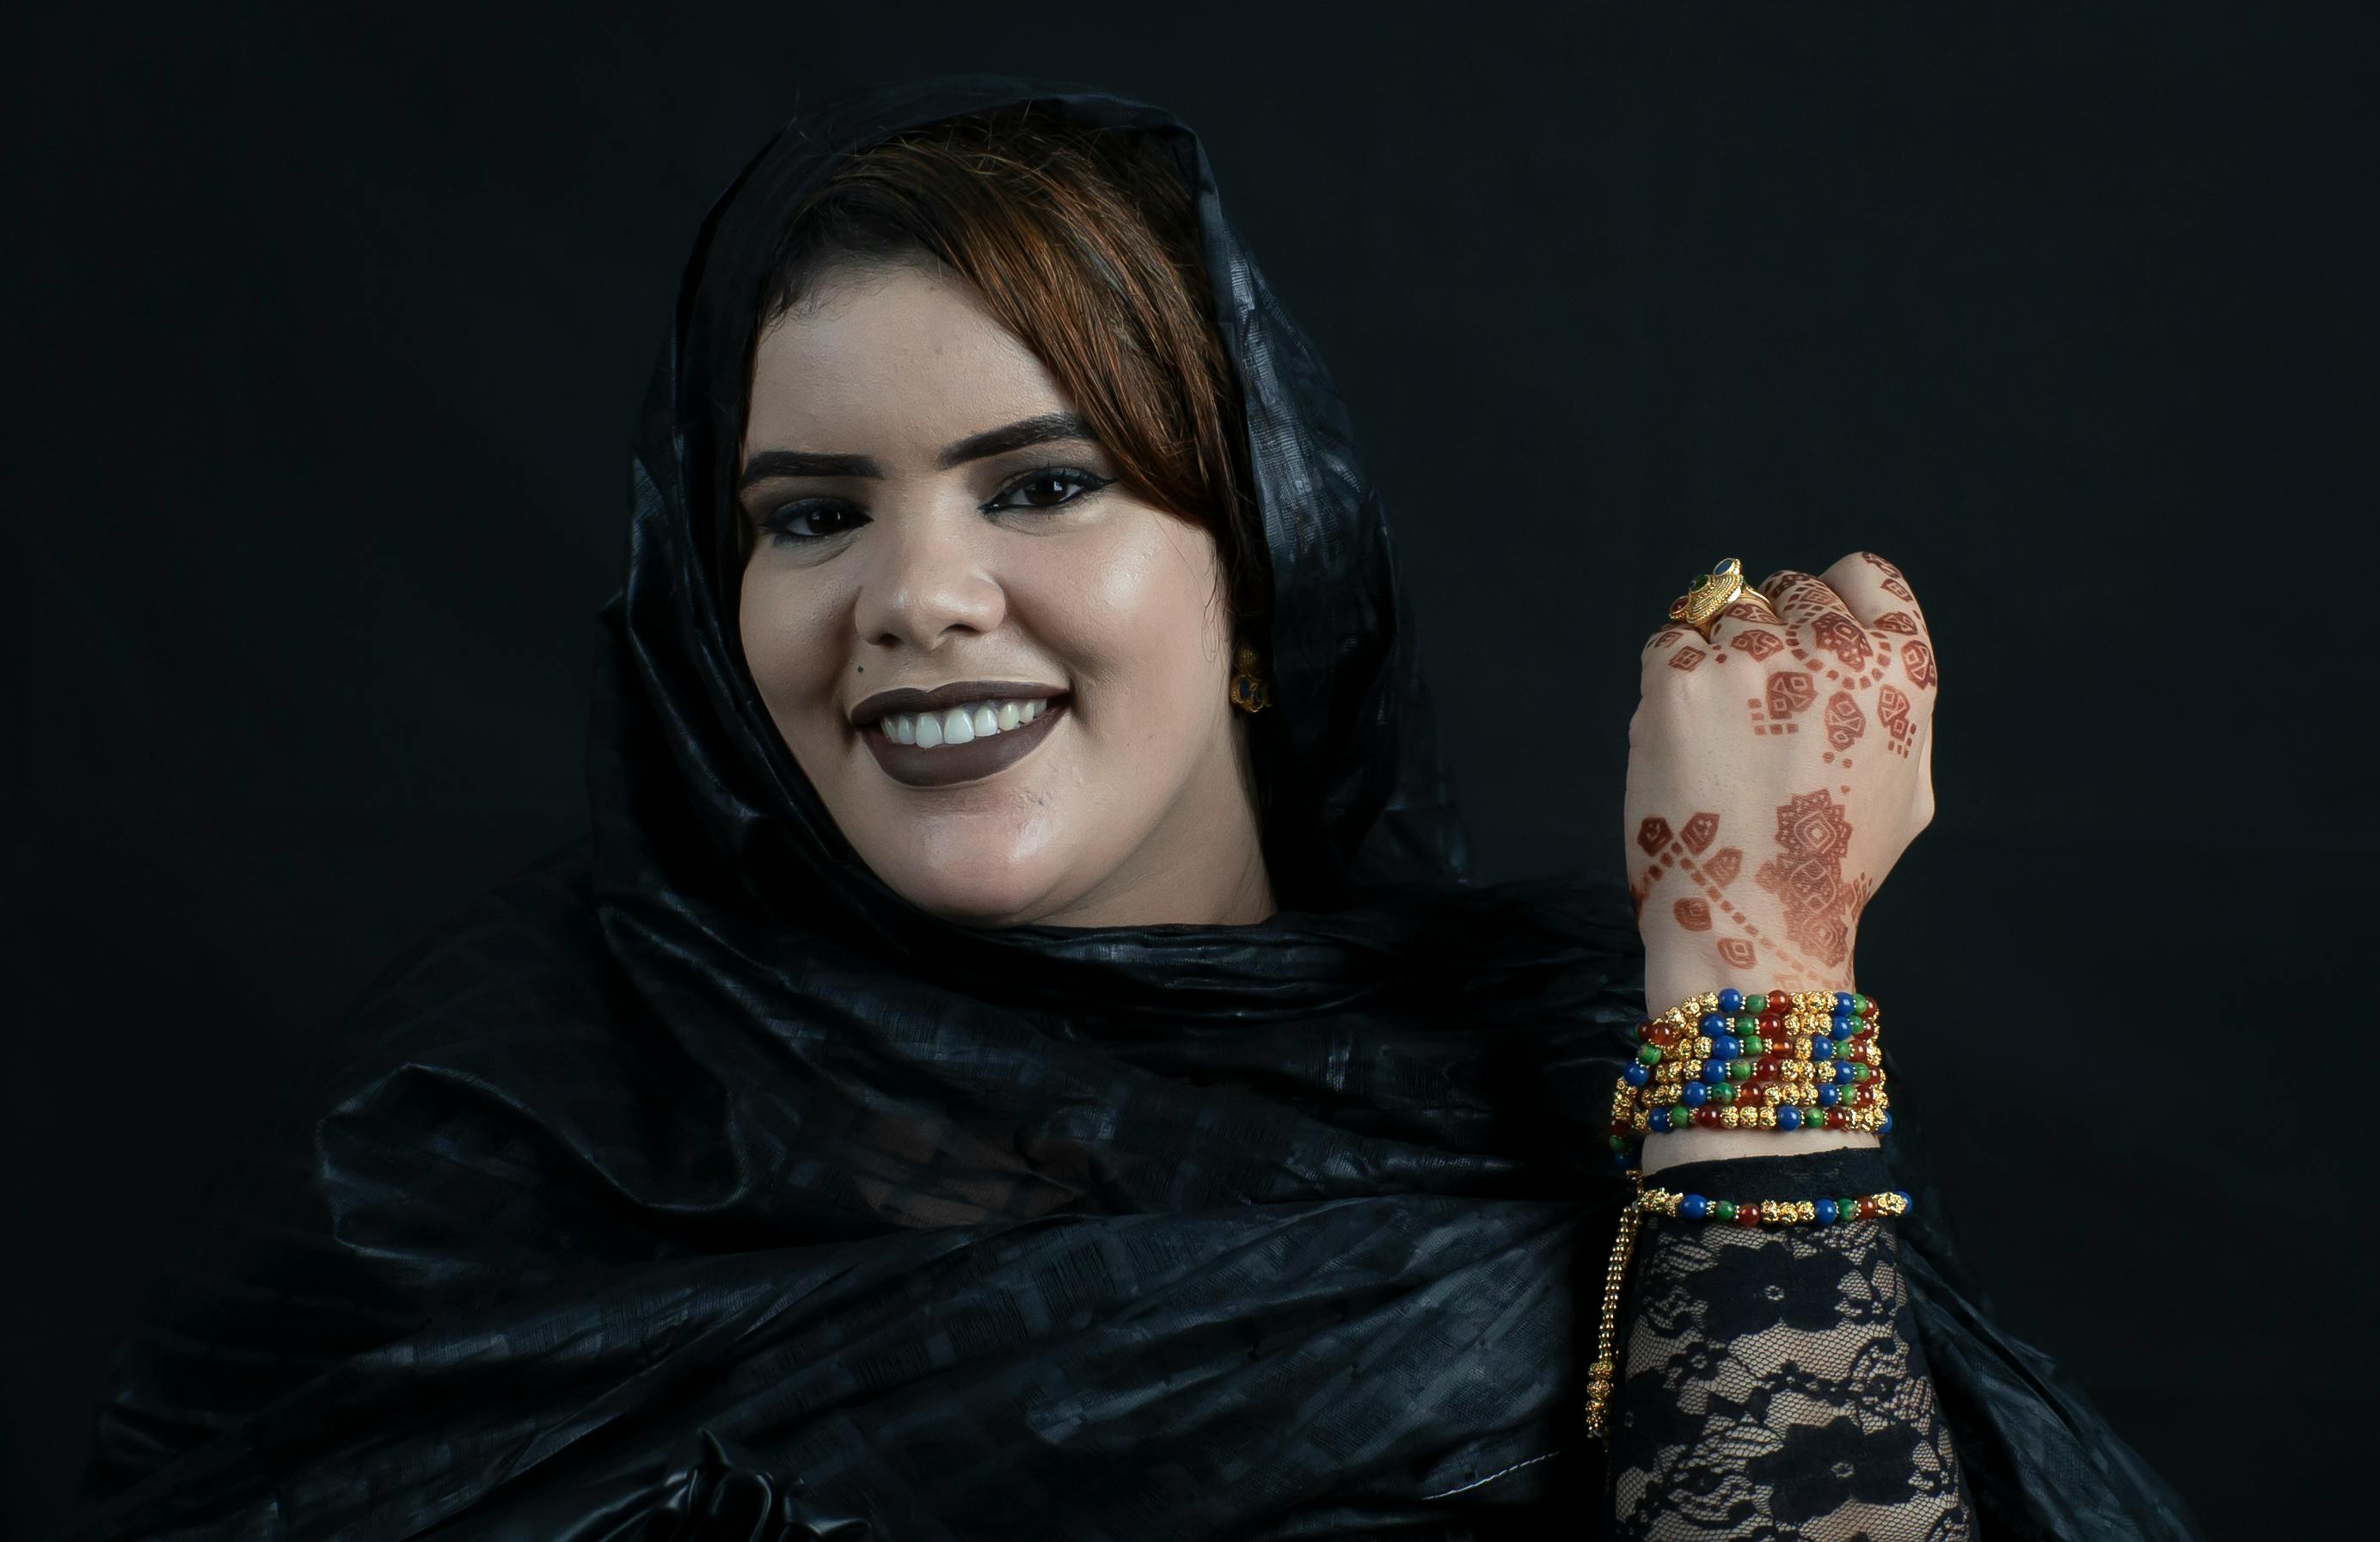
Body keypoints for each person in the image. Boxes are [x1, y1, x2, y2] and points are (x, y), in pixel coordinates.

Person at [64, 75, 2203, 1540]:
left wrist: (1753, 971)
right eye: (810, 515)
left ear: (1260, 569)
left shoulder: (1572, 1073)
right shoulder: (486, 1144)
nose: (909, 597)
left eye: (1044, 483)